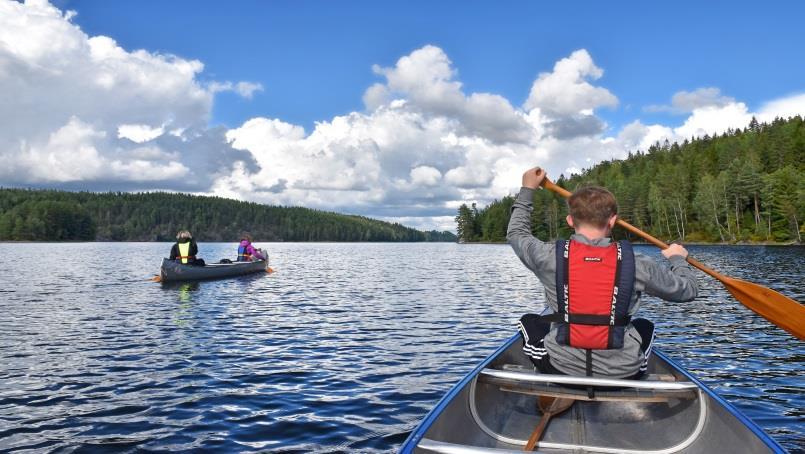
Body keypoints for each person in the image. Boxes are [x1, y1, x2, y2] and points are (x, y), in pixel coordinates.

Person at [507, 167, 698, 379]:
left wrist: (527, 189)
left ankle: (557, 384)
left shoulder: (548, 256)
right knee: (645, 326)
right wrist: (677, 258)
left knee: (529, 321)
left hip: (561, 369)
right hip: (623, 373)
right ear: (613, 220)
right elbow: (688, 290)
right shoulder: (637, 263)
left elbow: (516, 233)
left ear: (570, 221)